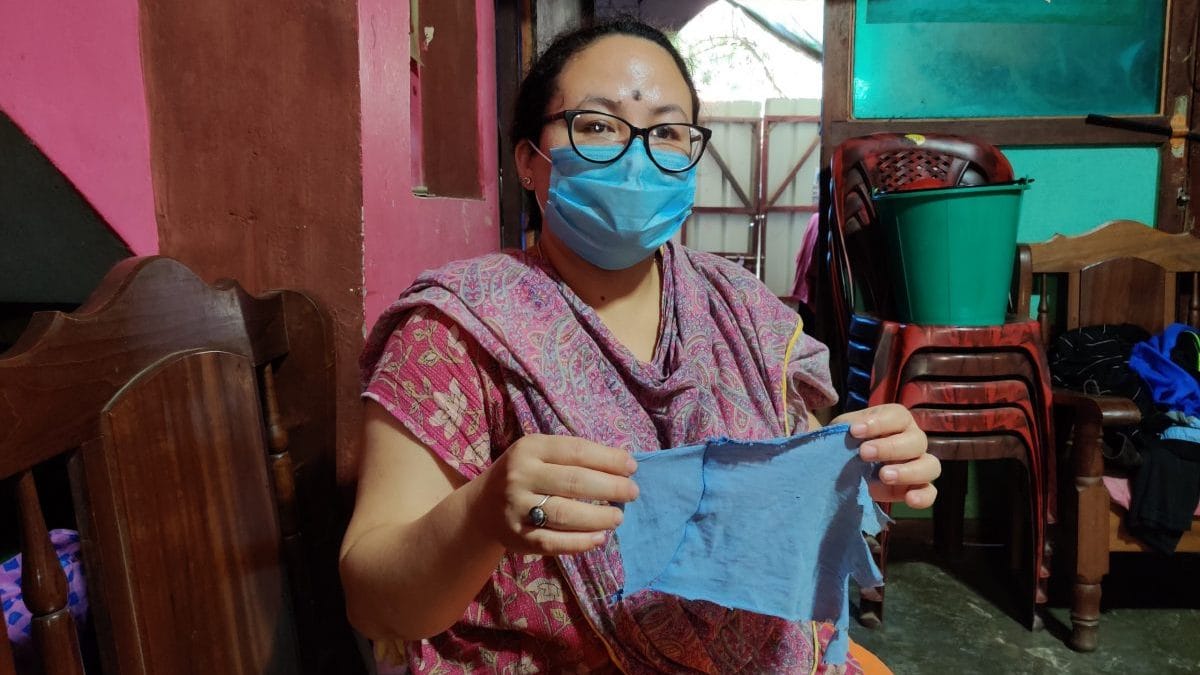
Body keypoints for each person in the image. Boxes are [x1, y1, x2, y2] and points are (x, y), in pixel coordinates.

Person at [340, 18, 939, 674]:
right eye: (597, 125)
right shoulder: (454, 330)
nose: (636, 156)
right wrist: (481, 516)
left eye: (668, 131)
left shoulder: (742, 310)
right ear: (527, 160)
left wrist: (857, 467)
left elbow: (788, 503)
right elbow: (373, 602)